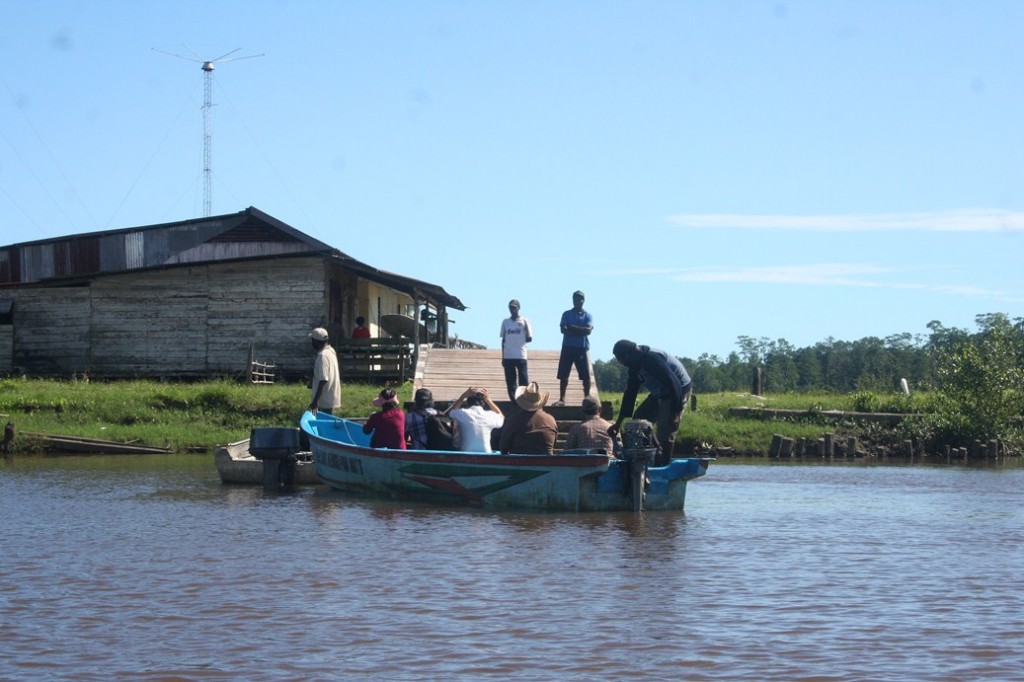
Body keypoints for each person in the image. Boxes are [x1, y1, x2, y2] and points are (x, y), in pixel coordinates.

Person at [608, 339, 692, 466]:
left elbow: (674, 384)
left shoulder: (651, 359)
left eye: (623, 359)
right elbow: (630, 394)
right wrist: (618, 424)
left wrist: (675, 412)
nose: (623, 363)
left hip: (677, 390)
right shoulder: (633, 366)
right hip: (659, 392)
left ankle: (665, 465)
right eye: (620, 361)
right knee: (638, 420)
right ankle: (657, 452)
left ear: (632, 353)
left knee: (666, 428)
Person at [552, 290, 593, 407]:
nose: (578, 301)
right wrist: (580, 330)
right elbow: (563, 330)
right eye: (575, 299)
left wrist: (571, 327)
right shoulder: (566, 314)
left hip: (581, 347)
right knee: (563, 375)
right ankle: (562, 399)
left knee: (586, 376)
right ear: (573, 300)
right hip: (567, 347)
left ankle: (587, 398)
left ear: (583, 301)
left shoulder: (587, 315)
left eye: (580, 299)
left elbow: (588, 331)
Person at [499, 382, 558, 455]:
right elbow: (554, 442)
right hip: (546, 461)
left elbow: (504, 447)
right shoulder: (551, 419)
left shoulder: (514, 420)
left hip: (519, 462)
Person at [446, 387, 504, 453]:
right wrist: (489, 400)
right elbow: (501, 417)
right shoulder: (489, 415)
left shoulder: (463, 413)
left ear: (468, 403)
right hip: (486, 454)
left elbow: (451, 413)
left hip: (466, 453)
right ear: (483, 404)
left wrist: (462, 397)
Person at [499, 299, 533, 401]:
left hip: (520, 354)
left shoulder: (524, 321)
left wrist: (519, 337)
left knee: (523, 379)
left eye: (514, 307)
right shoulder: (505, 322)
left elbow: (529, 338)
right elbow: (503, 339)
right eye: (510, 308)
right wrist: (503, 356)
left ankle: (525, 400)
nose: (512, 310)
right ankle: (514, 402)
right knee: (510, 381)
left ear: (518, 308)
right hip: (508, 355)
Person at [308, 327, 341, 416]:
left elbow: (323, 380)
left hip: (323, 401)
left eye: (312, 341)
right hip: (330, 398)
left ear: (316, 342)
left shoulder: (322, 356)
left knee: (322, 426)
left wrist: (315, 401)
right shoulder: (331, 351)